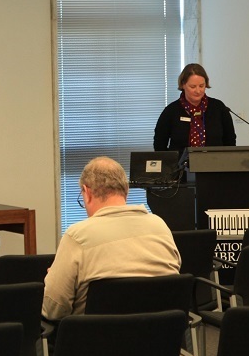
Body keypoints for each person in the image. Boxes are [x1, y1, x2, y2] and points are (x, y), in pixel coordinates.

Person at [42, 157, 181, 320]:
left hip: (95, 335)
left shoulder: (77, 236)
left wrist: (53, 280)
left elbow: (53, 310)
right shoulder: (160, 227)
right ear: (126, 190)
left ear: (87, 193)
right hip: (158, 334)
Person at [153, 63, 236, 153]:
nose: (198, 91)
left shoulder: (218, 108)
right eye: (193, 87)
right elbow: (159, 144)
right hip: (181, 162)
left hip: (215, 160)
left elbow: (230, 141)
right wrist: (172, 161)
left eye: (201, 86)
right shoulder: (171, 111)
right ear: (183, 85)